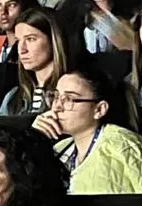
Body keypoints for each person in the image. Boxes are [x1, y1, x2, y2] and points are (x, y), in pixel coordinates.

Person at [36, 65, 142, 193]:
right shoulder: (60, 149)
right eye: (56, 96)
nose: (57, 107)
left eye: (69, 99)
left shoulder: (124, 146)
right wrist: (34, 139)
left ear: (99, 109)